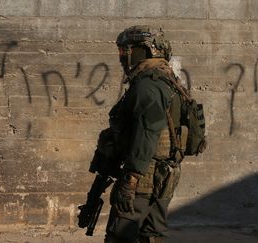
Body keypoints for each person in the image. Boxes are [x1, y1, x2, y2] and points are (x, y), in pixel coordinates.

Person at [102, 25, 186, 243]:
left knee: (120, 235)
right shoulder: (168, 81)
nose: (123, 57)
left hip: (143, 177)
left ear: (146, 51)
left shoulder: (147, 86)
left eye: (126, 51)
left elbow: (147, 134)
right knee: (152, 234)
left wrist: (130, 181)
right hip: (164, 173)